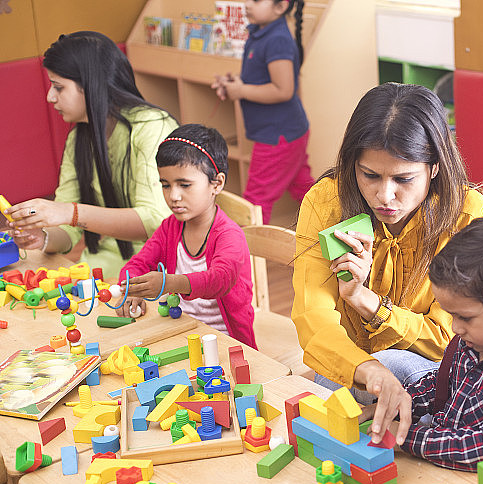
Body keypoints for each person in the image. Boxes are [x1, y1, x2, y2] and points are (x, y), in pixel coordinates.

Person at [291, 83, 483, 446]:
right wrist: (367, 369)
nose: (385, 196)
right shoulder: (326, 203)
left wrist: (366, 302)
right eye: (369, 175)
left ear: (434, 169)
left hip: (428, 371)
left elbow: (450, 338)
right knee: (348, 397)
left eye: (403, 179)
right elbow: (313, 319)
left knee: (395, 376)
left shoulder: (467, 213)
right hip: (349, 367)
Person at [362, 207, 483, 475]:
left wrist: (406, 437)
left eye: (465, 317)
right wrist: (400, 407)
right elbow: (441, 387)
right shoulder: (471, 343)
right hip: (444, 468)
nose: (455, 327)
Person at [4, 31, 177, 275]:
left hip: (157, 273)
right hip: (100, 272)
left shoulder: (152, 127)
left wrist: (70, 212)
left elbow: (155, 220)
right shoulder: (80, 137)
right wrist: (42, 237)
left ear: (89, 86)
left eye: (58, 87)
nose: (50, 97)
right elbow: (69, 230)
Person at [117, 124, 256, 349]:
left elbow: (219, 280)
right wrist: (133, 290)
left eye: (184, 185)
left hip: (227, 342)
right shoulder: (169, 228)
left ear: (217, 184)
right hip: (182, 331)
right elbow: (138, 264)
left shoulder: (230, 235)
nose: (173, 196)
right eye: (165, 185)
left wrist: (168, 283)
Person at [211, 0, 313, 223]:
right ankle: (336, 228)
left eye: (256, 0)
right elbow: (262, 79)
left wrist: (241, 90)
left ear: (280, 6)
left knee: (255, 202)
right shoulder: (261, 32)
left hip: (278, 135)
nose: (247, 4)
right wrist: (235, 85)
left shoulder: (277, 39)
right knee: (304, 188)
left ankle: (250, 256)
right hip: (286, 131)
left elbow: (283, 90)